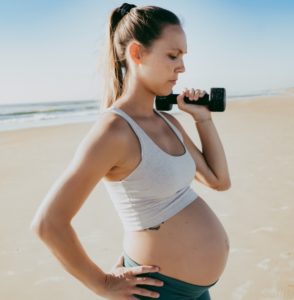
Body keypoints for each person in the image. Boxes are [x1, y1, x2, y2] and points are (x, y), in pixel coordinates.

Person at [31, 3, 231, 299]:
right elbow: (48, 223)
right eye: (173, 56)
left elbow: (219, 181)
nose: (182, 67)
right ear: (137, 53)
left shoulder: (169, 121)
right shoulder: (114, 131)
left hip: (196, 292)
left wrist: (203, 119)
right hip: (158, 291)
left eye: (183, 57)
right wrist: (103, 283)